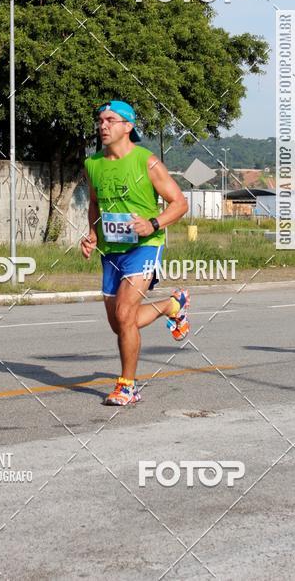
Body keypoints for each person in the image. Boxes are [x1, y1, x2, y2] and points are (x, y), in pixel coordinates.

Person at [81, 100, 190, 407]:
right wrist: (92, 234)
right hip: (111, 250)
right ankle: (172, 306)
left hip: (144, 247)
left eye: (111, 120)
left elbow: (180, 203)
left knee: (125, 315)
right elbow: (94, 204)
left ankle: (127, 386)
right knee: (119, 323)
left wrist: (152, 223)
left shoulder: (147, 162)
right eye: (100, 120)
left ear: (128, 126)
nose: (103, 125)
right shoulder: (93, 164)